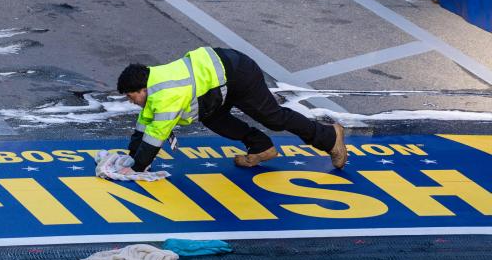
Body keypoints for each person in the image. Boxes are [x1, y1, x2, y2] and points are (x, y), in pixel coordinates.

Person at [117, 47, 347, 172]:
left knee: (272, 117)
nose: (131, 101)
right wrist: (129, 158)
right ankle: (261, 147)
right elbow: (144, 126)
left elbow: (155, 136)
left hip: (238, 73)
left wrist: (137, 168)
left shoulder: (166, 95)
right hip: (220, 77)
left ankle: (328, 137)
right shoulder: (153, 81)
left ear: (142, 89)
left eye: (130, 96)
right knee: (213, 117)